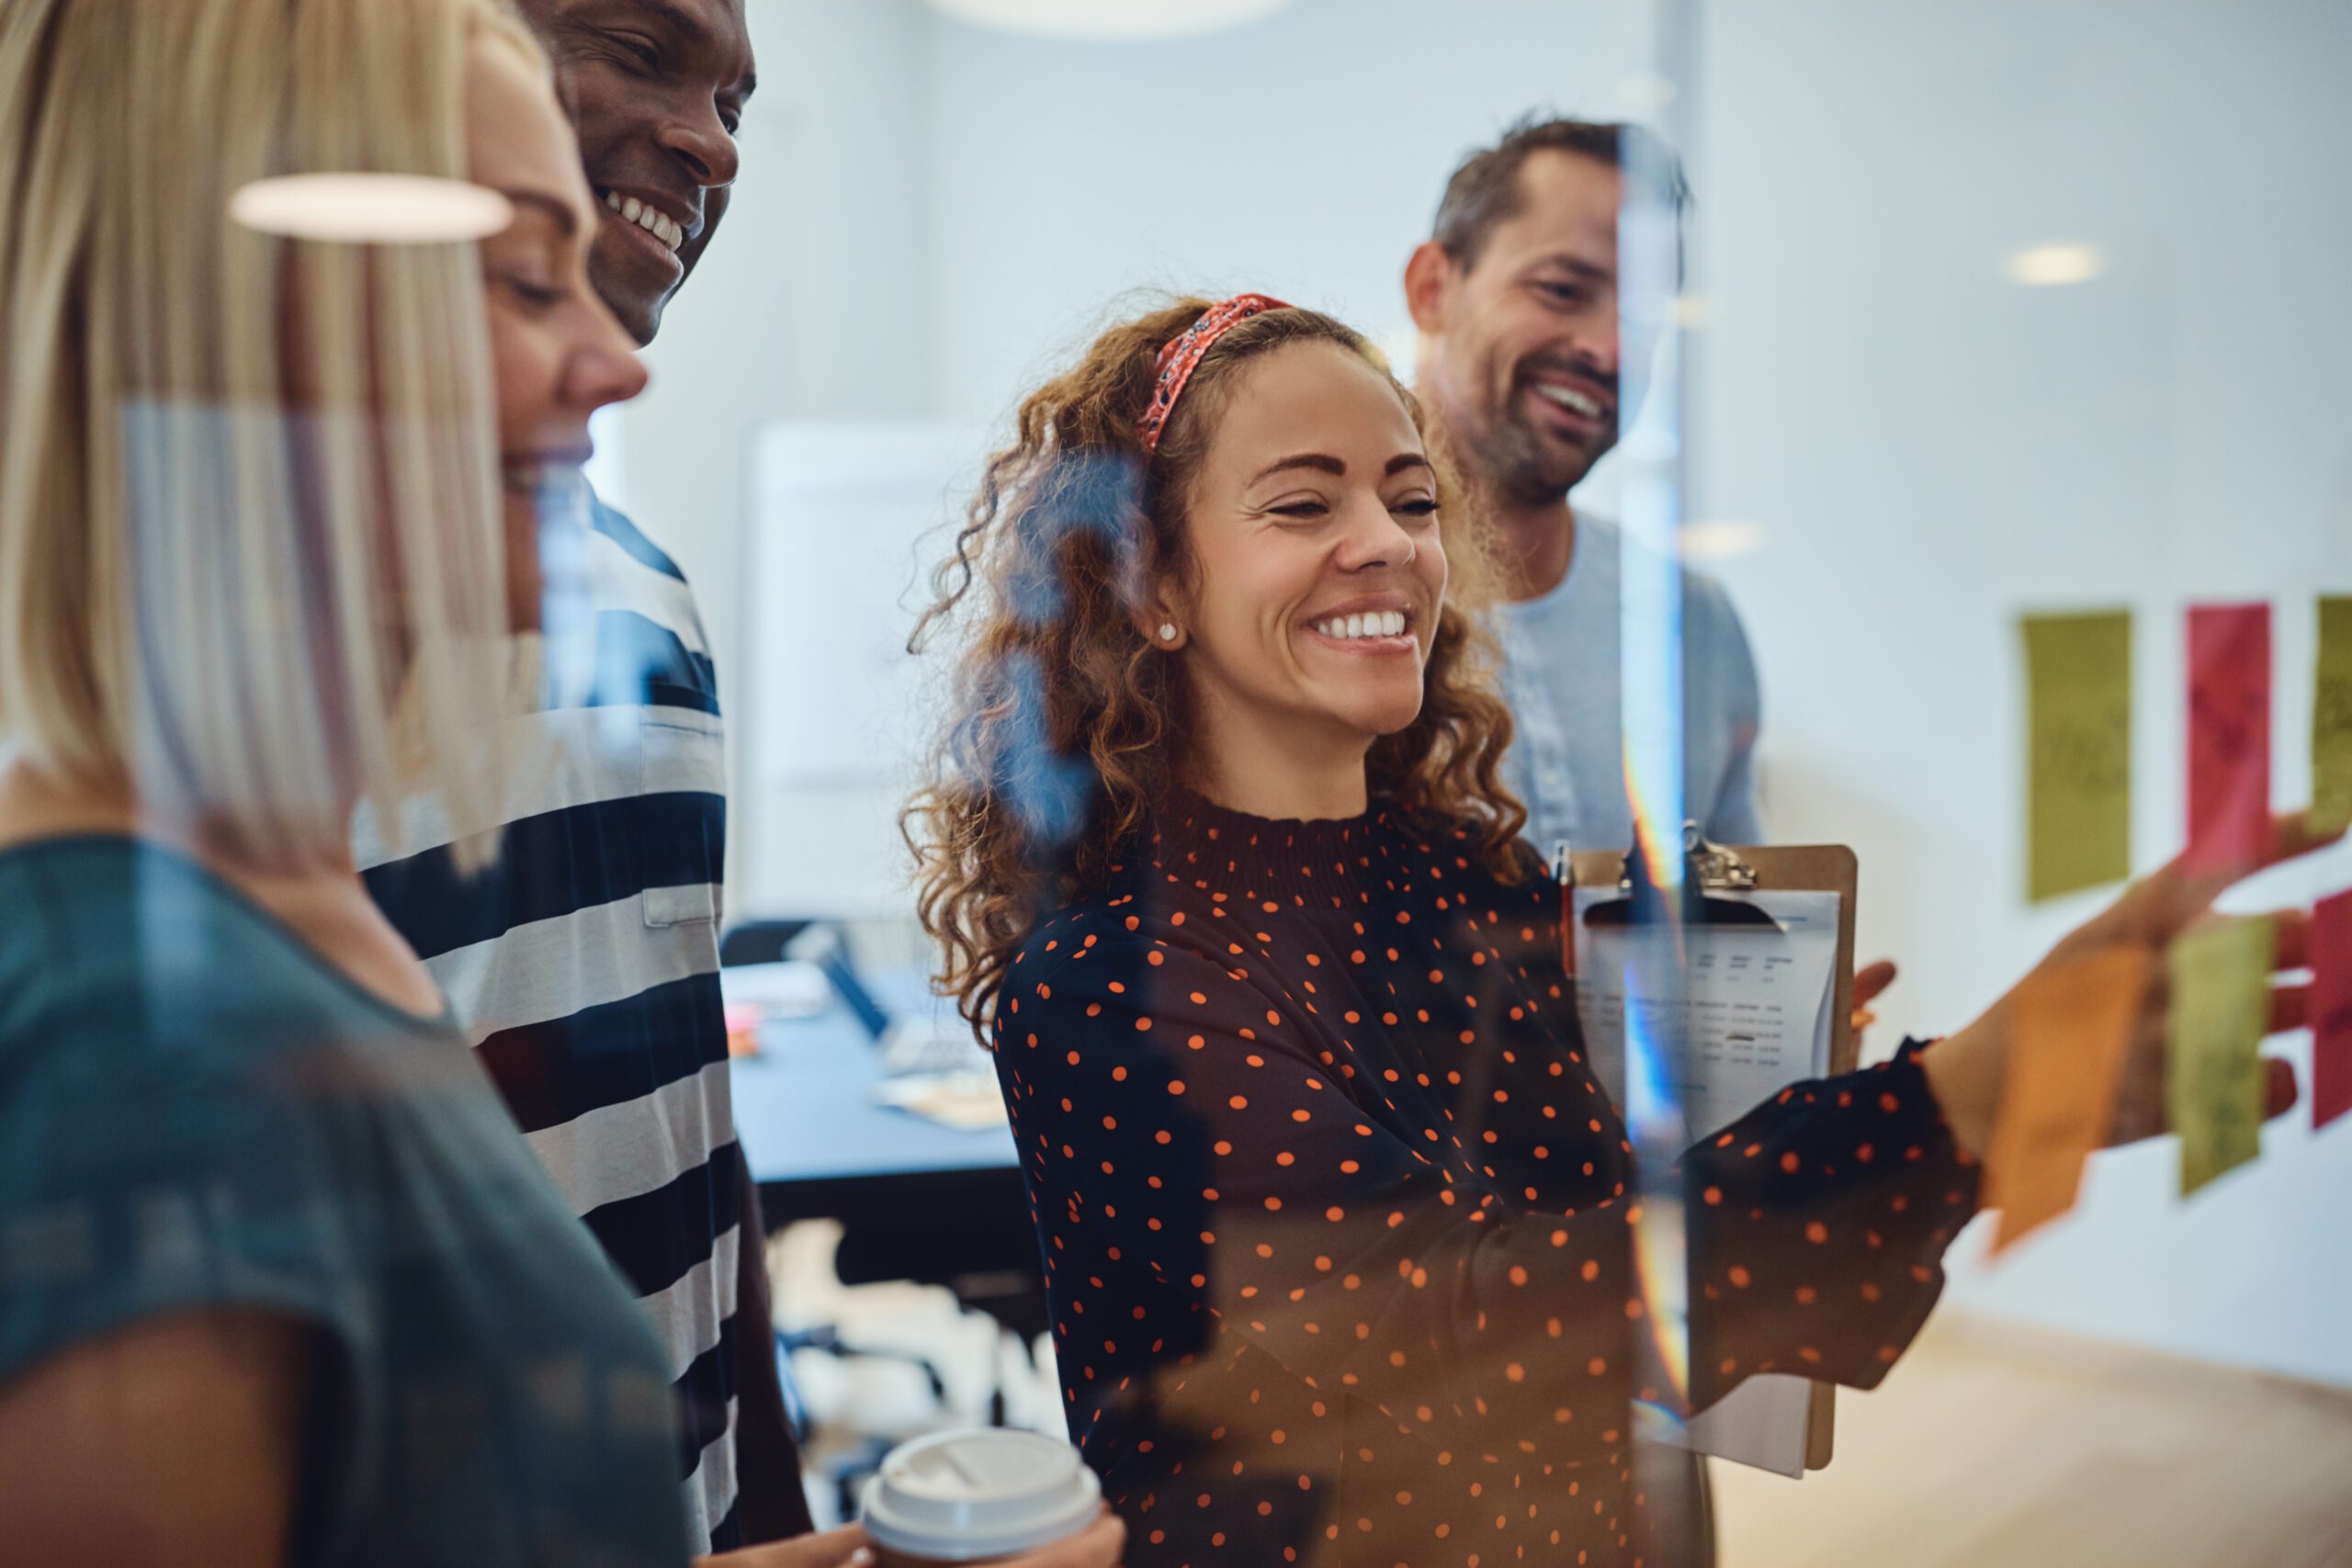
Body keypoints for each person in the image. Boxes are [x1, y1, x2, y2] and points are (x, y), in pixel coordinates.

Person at [905, 292, 2321, 1566]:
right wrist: (1954, 1110)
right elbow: (1474, 1326)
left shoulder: (1463, 879)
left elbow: (1595, 1228)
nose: (1385, 546)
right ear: (1148, 584)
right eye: (1299, 504)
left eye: (1409, 499)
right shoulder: (1108, 981)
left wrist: (1928, 1082)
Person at [0, 6, 1125, 1567]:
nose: (615, 363)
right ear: (266, 303)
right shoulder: (123, 1015)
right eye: (520, 278)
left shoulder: (297, 883)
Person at [351, 0, 787, 1550]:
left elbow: (691, 1112)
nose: (714, 140)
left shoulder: (647, 594)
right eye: (641, 49)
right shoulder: (246, 635)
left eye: (734, 95)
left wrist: (761, 1502)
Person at [1405, 115, 1756, 860]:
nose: (1610, 348)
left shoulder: (1694, 625)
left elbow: (1730, 935)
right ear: (1434, 288)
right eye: (1563, 289)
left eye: (1644, 317)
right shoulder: (1332, 599)